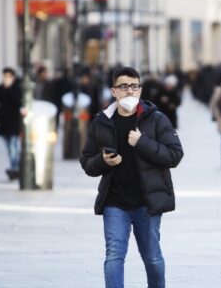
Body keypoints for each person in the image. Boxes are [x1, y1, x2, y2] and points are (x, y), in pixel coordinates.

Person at [79, 66, 184, 288]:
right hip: (114, 202)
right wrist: (102, 161)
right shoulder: (101, 121)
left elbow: (175, 155)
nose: (129, 91)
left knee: (152, 257)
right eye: (124, 86)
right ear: (114, 91)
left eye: (134, 86)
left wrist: (142, 142)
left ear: (140, 90)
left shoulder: (156, 119)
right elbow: (87, 162)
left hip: (147, 202)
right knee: (114, 255)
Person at [0, 68, 22, 180]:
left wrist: (9, 89)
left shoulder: (16, 88)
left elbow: (18, 102)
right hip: (4, 123)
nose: (6, 79)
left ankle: (14, 167)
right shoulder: (0, 88)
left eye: (8, 76)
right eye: (5, 76)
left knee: (13, 145)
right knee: (8, 146)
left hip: (14, 122)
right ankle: (14, 166)